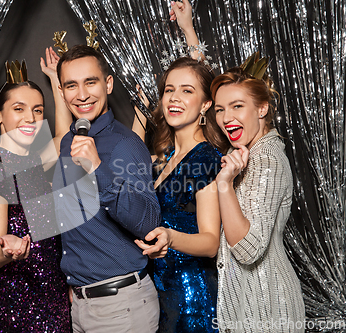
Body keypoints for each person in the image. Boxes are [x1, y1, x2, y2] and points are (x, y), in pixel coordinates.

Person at [52, 44, 161, 332]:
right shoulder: (68, 141)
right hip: (81, 304)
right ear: (62, 92)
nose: (82, 94)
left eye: (91, 82)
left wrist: (98, 169)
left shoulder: (126, 145)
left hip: (121, 306)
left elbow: (149, 222)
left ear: (108, 84)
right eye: (71, 85)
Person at [133, 2, 227, 332]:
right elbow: (130, 175)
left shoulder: (207, 159)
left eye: (186, 92)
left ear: (206, 105)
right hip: (156, 292)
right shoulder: (163, 155)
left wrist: (189, 30)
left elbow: (210, 242)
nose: (174, 97)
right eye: (169, 90)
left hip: (192, 299)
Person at [0, 52, 71, 332]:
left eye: (38, 110)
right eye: (19, 109)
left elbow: (64, 136)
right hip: (21, 303)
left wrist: (54, 79)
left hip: (55, 296)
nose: (30, 118)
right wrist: (9, 249)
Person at [210, 55, 305, 332]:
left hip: (267, 309)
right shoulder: (241, 151)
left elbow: (249, 250)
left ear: (262, 109)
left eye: (237, 106)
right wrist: (189, 32)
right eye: (219, 109)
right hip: (249, 304)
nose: (227, 118)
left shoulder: (266, 161)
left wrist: (225, 184)